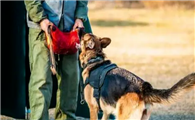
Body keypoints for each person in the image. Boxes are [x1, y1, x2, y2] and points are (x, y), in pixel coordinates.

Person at [24, 0, 88, 120]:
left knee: (71, 79)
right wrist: (41, 18)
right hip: (42, 29)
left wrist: (80, 17)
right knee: (41, 79)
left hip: (70, 28)